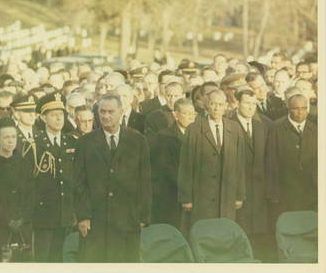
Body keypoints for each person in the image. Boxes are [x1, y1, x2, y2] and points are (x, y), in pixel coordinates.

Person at [72, 94, 151, 262]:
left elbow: (145, 180)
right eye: (102, 112)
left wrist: (143, 215)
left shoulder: (138, 140)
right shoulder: (85, 142)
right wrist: (83, 216)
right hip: (96, 219)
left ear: (121, 112)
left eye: (110, 112)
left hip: (127, 218)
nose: (106, 116)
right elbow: (79, 183)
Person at [178, 89, 246, 228]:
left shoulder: (235, 129)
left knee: (225, 231)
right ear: (207, 105)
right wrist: (186, 198)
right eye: (213, 104)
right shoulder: (194, 129)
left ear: (226, 106)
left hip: (227, 195)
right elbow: (186, 165)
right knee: (205, 232)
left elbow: (240, 164)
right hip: (202, 196)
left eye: (220, 104)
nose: (216, 108)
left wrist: (239, 194)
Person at [30, 92, 77, 262]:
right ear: (43, 118)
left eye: (61, 115)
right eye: (53, 115)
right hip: (43, 213)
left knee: (61, 258)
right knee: (43, 259)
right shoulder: (35, 144)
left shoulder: (71, 142)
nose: (59, 119)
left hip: (65, 212)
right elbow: (29, 183)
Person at [0, 118, 34, 262]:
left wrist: (23, 218)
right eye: (6, 137)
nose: (11, 141)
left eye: (13, 137)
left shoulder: (22, 162)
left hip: (21, 224)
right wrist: (7, 220)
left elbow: (31, 193)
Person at [227, 89, 271, 260]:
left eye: (254, 104)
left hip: (259, 191)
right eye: (247, 103)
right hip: (237, 189)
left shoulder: (263, 126)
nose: (251, 107)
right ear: (237, 103)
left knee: (258, 234)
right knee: (240, 231)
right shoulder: (228, 124)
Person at [266, 94, 317, 215]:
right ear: (288, 108)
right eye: (296, 108)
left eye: (304, 108)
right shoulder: (276, 128)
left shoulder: (315, 128)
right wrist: (273, 192)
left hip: (310, 192)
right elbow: (271, 162)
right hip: (286, 192)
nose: (300, 112)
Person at [151, 99, 196, 231]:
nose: (191, 117)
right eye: (186, 113)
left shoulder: (199, 135)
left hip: (197, 194)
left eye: (193, 114)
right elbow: (166, 169)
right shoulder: (164, 137)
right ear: (176, 115)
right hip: (173, 195)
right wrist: (187, 190)